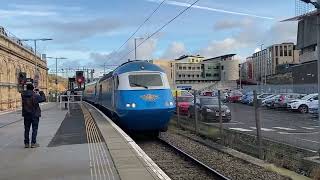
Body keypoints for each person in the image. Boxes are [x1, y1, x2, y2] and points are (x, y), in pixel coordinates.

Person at [21, 84, 46, 148]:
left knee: (26, 129)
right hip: (35, 114)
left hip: (26, 114)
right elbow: (43, 99)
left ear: (26, 88)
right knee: (34, 129)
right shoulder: (35, 95)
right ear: (33, 88)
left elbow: (24, 92)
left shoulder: (23, 95)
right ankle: (33, 143)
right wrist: (41, 92)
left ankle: (26, 143)